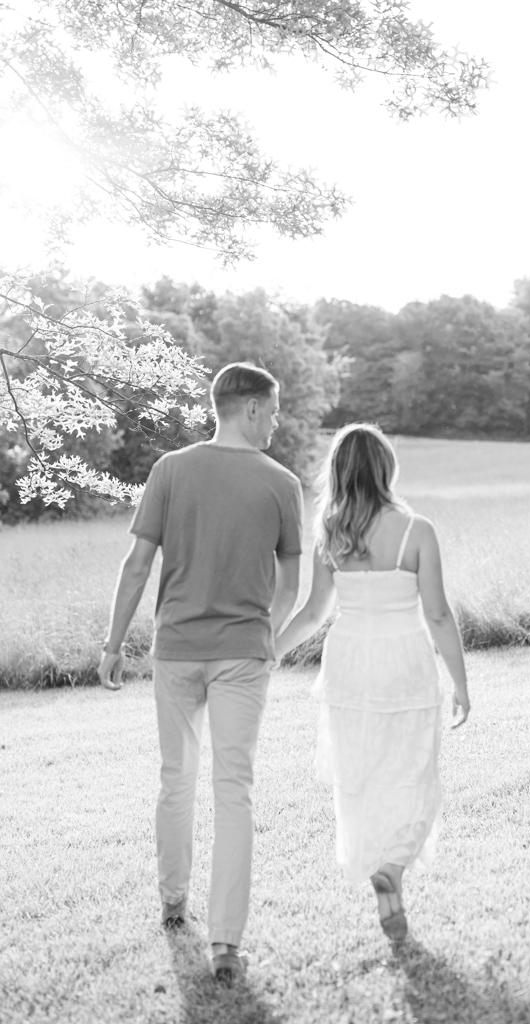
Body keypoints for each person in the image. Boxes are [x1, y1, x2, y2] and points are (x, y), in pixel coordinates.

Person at [97, 362, 303, 985]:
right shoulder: (283, 482)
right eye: (273, 410)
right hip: (243, 654)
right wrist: (266, 636)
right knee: (233, 789)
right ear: (249, 409)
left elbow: (136, 567)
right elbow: (293, 582)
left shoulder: (169, 469)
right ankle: (225, 945)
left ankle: (171, 900)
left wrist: (113, 645)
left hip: (177, 651)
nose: (277, 421)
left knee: (175, 777)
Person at [275, 423, 470, 941]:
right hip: (405, 660)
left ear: (338, 471)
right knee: (415, 771)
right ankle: (395, 866)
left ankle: (381, 871)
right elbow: (440, 616)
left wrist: (268, 649)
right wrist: (462, 683)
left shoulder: (331, 532)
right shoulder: (416, 530)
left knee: (360, 776)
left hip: (351, 663)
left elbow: (315, 612)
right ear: (386, 467)